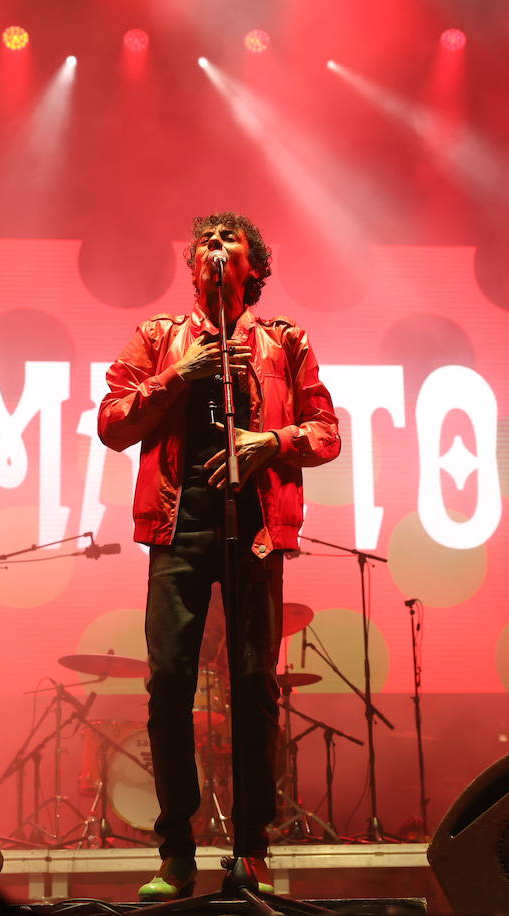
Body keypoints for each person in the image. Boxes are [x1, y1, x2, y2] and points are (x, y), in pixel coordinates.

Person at [98, 212, 340, 899]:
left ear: (252, 268)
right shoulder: (159, 338)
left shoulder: (284, 341)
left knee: (254, 686)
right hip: (178, 531)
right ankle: (177, 851)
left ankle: (253, 850)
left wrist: (273, 441)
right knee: (169, 683)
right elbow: (111, 424)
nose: (213, 247)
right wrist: (182, 373)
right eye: (204, 239)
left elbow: (326, 433)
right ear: (191, 264)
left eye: (228, 240)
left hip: (254, 531)